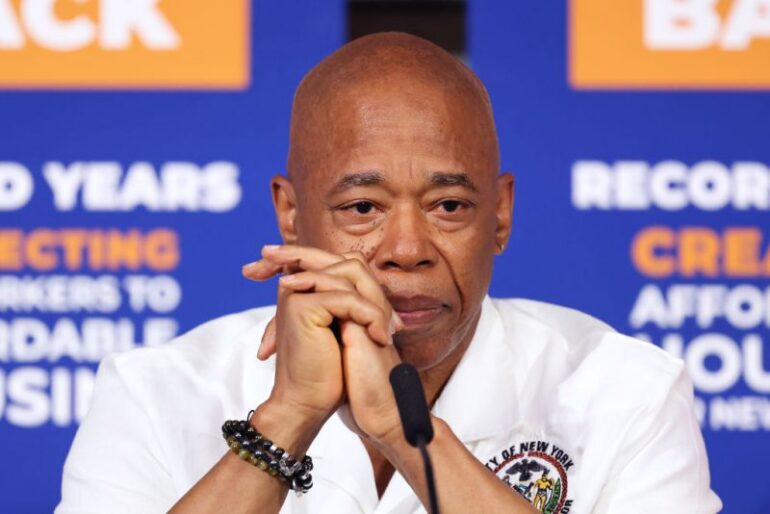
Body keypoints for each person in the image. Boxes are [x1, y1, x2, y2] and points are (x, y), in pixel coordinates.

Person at [56, 32, 722, 514]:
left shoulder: (627, 394)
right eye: (363, 207)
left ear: (501, 215)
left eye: (450, 206)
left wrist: (404, 436)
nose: (407, 248)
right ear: (290, 216)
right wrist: (286, 417)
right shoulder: (152, 393)